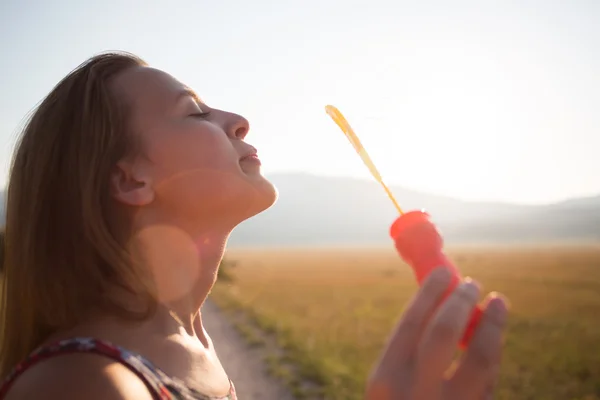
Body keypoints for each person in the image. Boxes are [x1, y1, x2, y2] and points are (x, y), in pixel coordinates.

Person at [0, 52, 509, 400]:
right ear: (131, 179)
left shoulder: (189, 340)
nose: (238, 119)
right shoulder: (86, 385)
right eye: (195, 113)